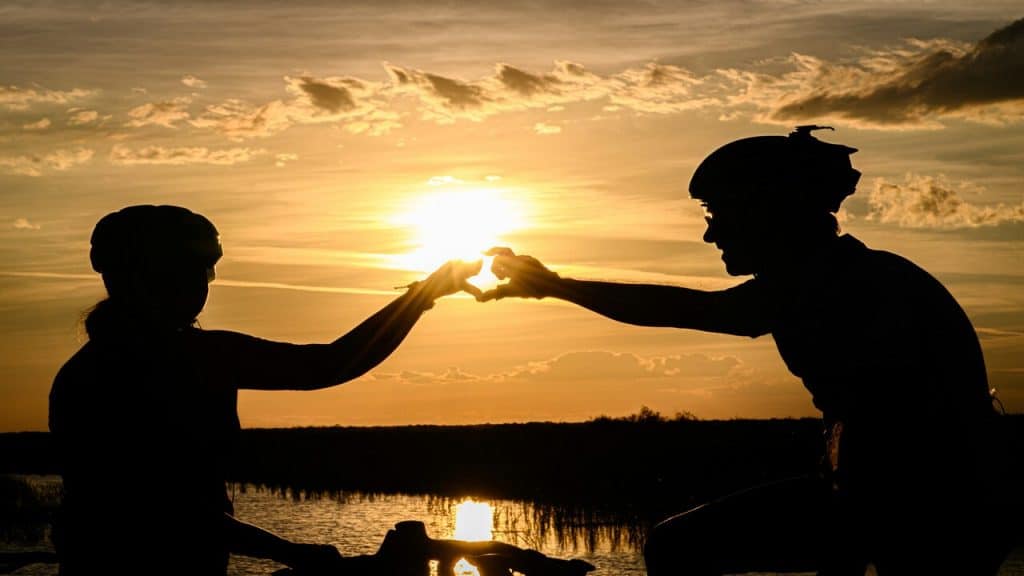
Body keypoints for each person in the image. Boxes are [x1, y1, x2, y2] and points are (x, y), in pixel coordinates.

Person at [478, 127, 1016, 574]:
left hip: (936, 505)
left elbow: (694, 310)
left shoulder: (832, 281)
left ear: (765, 211)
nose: (710, 237)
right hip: (897, 496)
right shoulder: (844, 273)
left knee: (676, 547)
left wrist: (555, 286)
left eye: (717, 215)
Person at [49, 205, 482, 575]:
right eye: (196, 271)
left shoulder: (82, 372)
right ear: (153, 278)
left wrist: (422, 295)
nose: (205, 283)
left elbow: (330, 363)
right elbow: (161, 510)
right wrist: (291, 552)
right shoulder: (191, 359)